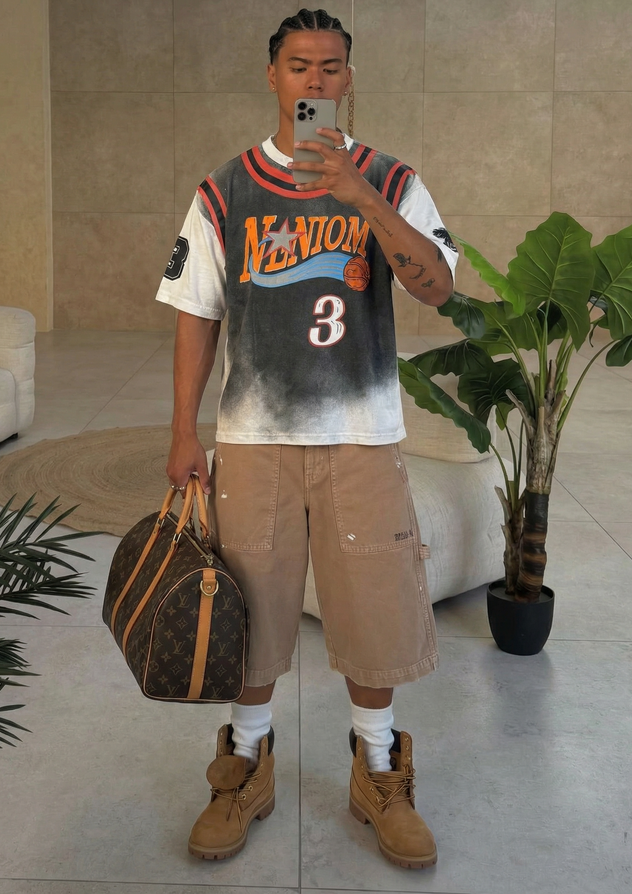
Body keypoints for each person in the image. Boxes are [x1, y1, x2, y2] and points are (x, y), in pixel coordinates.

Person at [156, 8, 457, 870]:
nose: (315, 81)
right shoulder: (226, 187)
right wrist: (186, 432)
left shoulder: (392, 180)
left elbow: (436, 288)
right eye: (298, 65)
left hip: (362, 436)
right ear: (272, 76)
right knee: (248, 610)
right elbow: (194, 312)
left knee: (375, 610)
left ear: (349, 79)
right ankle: (244, 765)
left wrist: (360, 198)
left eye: (331, 66)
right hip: (254, 439)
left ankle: (377, 767)